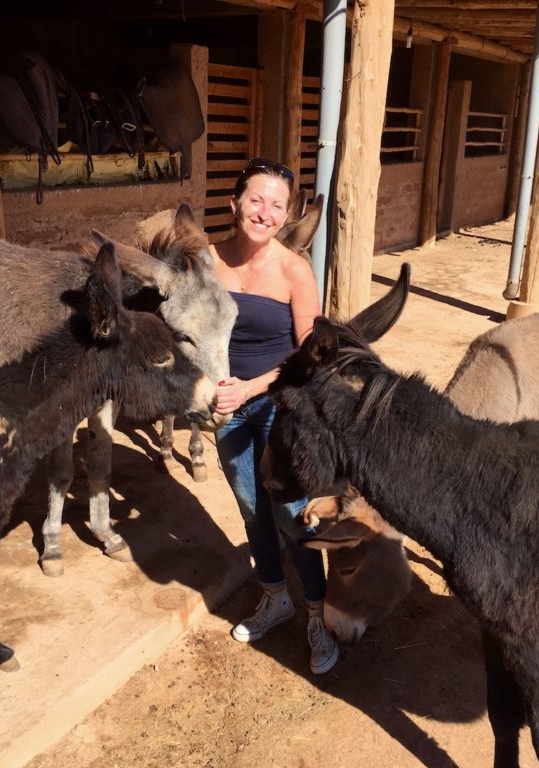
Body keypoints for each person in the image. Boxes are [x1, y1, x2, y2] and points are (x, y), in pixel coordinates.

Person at [211, 157, 339, 675]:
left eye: (276, 205)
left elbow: (308, 353)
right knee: (250, 508)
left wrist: (250, 388)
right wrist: (210, 387)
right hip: (226, 406)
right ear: (235, 203)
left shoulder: (294, 269)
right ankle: (275, 596)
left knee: (291, 511)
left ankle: (317, 611)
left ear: (286, 216)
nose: (264, 213)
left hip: (278, 404)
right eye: (256, 200)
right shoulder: (207, 260)